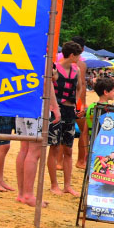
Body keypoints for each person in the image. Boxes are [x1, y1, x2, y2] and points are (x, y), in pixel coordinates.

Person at [47, 42, 84, 196]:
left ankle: (67, 185)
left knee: (68, 149)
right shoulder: (55, 68)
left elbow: (80, 86)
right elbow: (49, 85)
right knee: (54, 147)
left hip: (70, 110)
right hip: (57, 110)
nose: (79, 58)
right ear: (71, 55)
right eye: (78, 55)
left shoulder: (76, 70)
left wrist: (77, 103)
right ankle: (54, 185)